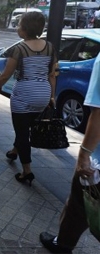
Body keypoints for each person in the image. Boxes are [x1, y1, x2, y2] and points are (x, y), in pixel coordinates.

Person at [39, 54, 100, 254]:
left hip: (97, 163)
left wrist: (83, 155)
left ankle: (62, 245)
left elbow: (98, 113)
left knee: (78, 204)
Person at [0, 11, 57, 185]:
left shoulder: (19, 49)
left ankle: (27, 171)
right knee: (26, 127)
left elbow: (4, 76)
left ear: (25, 29)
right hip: (42, 94)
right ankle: (14, 151)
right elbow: (52, 75)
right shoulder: (50, 47)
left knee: (21, 132)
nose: (18, 28)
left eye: (19, 25)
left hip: (24, 94)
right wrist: (51, 96)